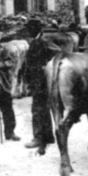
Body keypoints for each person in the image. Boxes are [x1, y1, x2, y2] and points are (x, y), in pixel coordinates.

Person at [24, 19, 57, 150]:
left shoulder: (43, 42)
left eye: (30, 28)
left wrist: (46, 65)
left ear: (35, 29)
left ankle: (38, 138)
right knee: (43, 108)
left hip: (41, 80)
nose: (28, 31)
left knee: (37, 109)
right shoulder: (36, 41)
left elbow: (57, 52)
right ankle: (48, 136)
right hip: (36, 79)